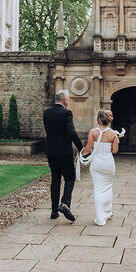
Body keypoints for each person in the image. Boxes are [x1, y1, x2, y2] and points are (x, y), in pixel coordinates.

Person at [43, 89, 84, 221]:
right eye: (68, 99)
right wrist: (80, 147)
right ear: (65, 100)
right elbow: (71, 132)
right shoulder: (66, 113)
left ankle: (54, 212)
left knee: (55, 180)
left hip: (50, 151)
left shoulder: (46, 112)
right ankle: (65, 203)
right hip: (64, 152)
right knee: (69, 178)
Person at [81, 109, 119, 226]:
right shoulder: (113, 133)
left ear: (99, 120)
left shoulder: (93, 132)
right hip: (108, 163)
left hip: (97, 163)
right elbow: (115, 151)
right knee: (108, 188)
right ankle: (107, 212)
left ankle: (100, 217)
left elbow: (88, 148)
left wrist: (81, 154)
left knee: (98, 189)